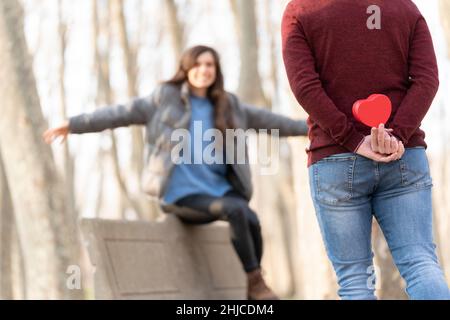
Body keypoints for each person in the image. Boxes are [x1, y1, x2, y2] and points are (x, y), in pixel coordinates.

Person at [43, 45, 309, 300]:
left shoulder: (229, 105)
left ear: (216, 70)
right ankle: (255, 281)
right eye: (198, 64)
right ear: (186, 67)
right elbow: (118, 114)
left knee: (251, 219)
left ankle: (253, 288)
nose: (204, 70)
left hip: (219, 191)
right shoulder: (164, 98)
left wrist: (314, 127)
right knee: (237, 210)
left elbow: (275, 123)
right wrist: (74, 124)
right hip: (180, 196)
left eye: (210, 65)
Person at [282, 0, 450, 300]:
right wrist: (396, 135)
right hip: (403, 156)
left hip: (335, 157)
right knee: (421, 264)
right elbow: (427, 79)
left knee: (355, 281)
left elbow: (305, 86)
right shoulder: (405, 8)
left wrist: (353, 139)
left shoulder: (302, 9)